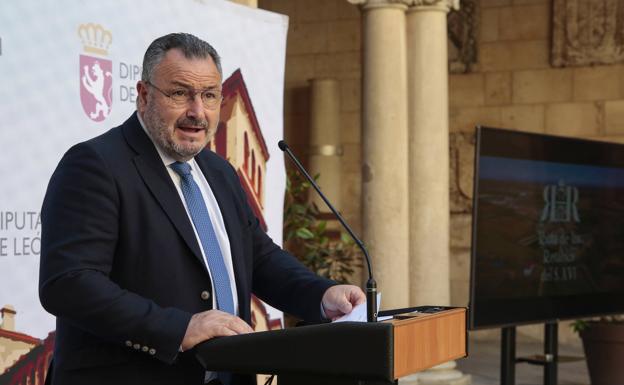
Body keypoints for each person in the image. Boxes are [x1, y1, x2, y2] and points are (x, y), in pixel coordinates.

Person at [39, 33, 365, 385]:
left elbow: (258, 258)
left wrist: (320, 295)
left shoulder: (218, 171)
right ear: (144, 94)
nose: (197, 112)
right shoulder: (95, 165)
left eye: (209, 96)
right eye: (180, 93)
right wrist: (181, 328)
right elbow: (69, 283)